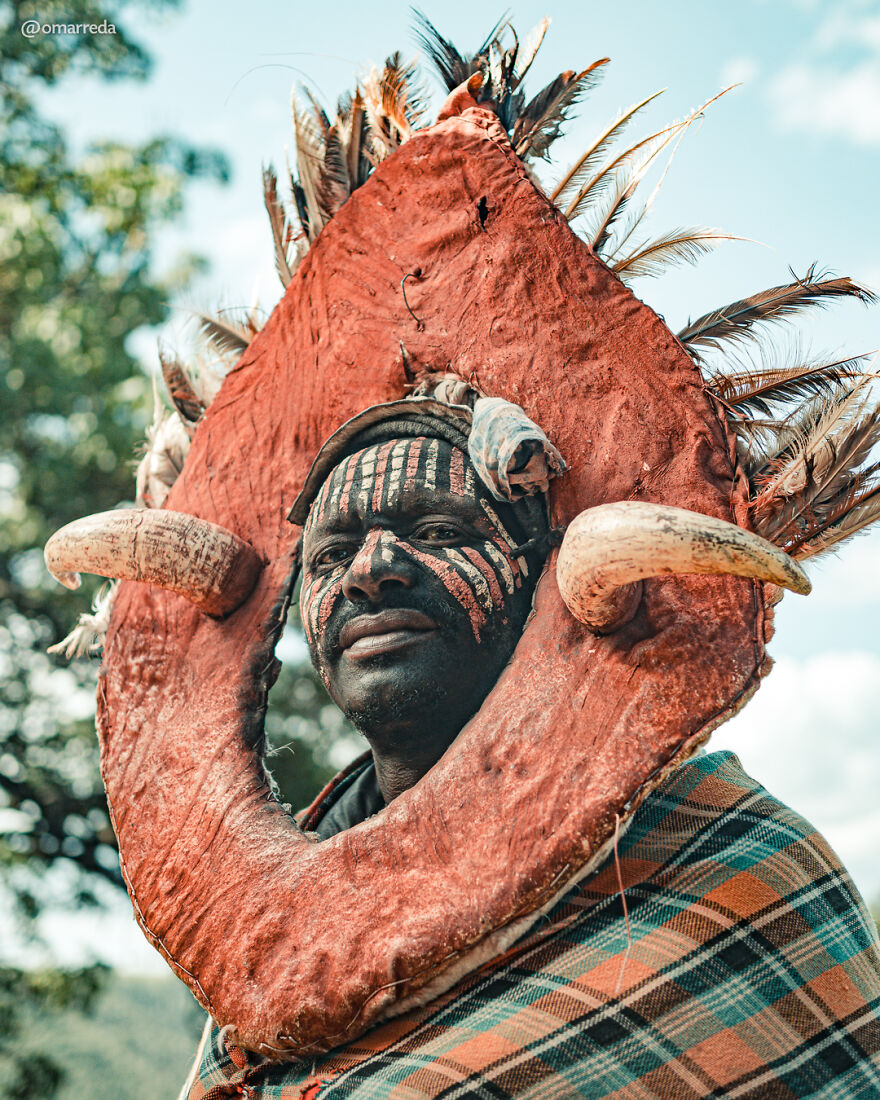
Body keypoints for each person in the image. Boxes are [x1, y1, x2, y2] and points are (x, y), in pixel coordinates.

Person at [180, 401, 880, 1098]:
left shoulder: (731, 864)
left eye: (436, 529)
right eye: (331, 555)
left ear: (541, 580)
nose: (371, 569)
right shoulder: (274, 932)